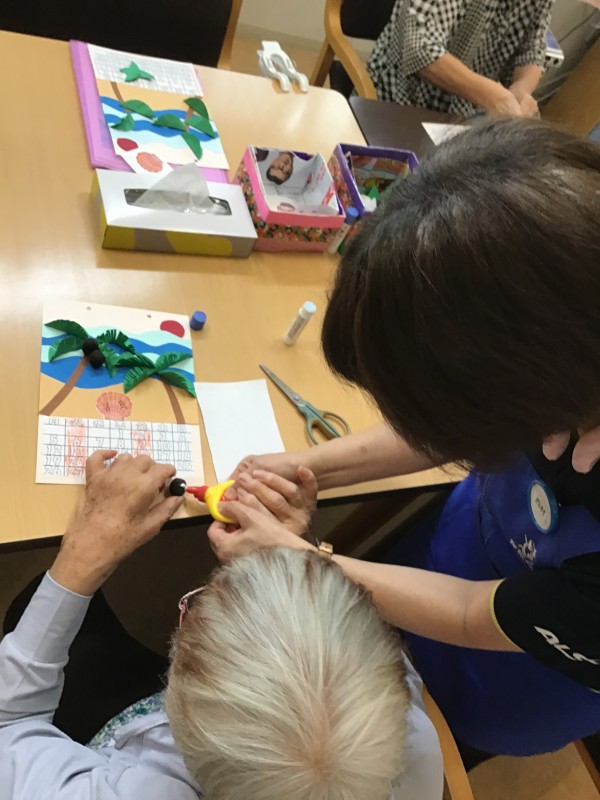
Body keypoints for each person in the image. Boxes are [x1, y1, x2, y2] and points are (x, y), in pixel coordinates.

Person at [220, 118, 600, 759]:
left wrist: (304, 561)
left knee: (399, 745)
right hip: (459, 547)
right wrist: (309, 466)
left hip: (513, 677)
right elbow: (451, 423)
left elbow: (468, 614)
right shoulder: (566, 298)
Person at [0, 451, 444, 799]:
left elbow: (8, 729)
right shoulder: (408, 739)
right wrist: (295, 557)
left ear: (184, 720)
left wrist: (84, 551)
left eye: (196, 610)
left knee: (33, 606)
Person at [366, 0, 554, 117]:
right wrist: (493, 97)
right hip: (398, 101)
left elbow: (532, 49)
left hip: (465, 116)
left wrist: (521, 89)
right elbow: (418, 46)